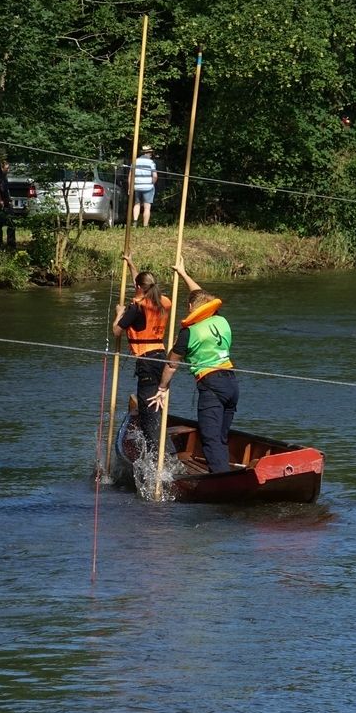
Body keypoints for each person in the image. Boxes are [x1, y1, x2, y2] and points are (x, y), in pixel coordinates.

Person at [149, 263, 238, 474]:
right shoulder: (221, 320)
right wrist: (183, 274)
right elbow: (202, 296)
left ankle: (221, 482)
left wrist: (162, 389)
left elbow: (171, 365)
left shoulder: (189, 333)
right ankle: (223, 471)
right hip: (232, 385)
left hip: (212, 385)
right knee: (221, 437)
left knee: (210, 438)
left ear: (191, 309)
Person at [111, 254, 173, 453]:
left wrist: (120, 313)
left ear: (139, 288)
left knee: (148, 414)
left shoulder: (135, 308)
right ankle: (164, 450)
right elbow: (142, 285)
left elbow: (116, 331)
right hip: (162, 359)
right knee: (157, 405)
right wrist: (131, 264)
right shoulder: (163, 301)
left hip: (146, 362)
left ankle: (158, 458)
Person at [130, 145, 158, 227]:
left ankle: (135, 222)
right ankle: (145, 225)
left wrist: (130, 187)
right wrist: (152, 183)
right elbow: (155, 176)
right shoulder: (151, 162)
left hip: (137, 186)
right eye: (151, 153)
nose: (151, 155)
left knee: (137, 204)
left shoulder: (135, 161)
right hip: (148, 187)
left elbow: (131, 175)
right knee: (147, 206)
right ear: (149, 153)